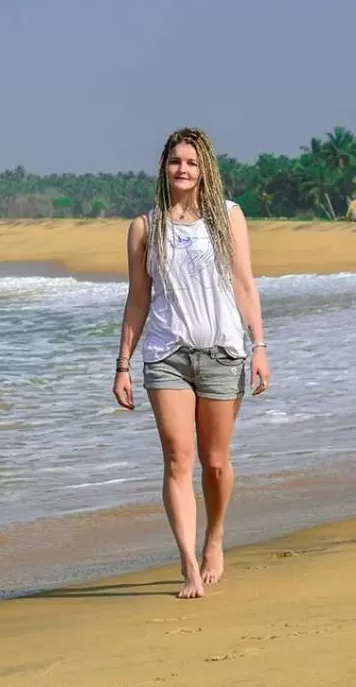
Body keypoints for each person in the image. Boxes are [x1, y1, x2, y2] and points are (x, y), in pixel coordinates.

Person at [112, 127, 270, 599]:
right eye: (175, 161)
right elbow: (138, 300)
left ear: (205, 170)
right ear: (164, 166)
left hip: (223, 351)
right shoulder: (146, 227)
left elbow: (244, 284)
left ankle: (215, 539)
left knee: (215, 463)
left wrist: (259, 345)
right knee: (178, 460)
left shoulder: (228, 218)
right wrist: (122, 363)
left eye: (192, 163)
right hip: (167, 356)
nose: (183, 169)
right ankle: (187, 565)